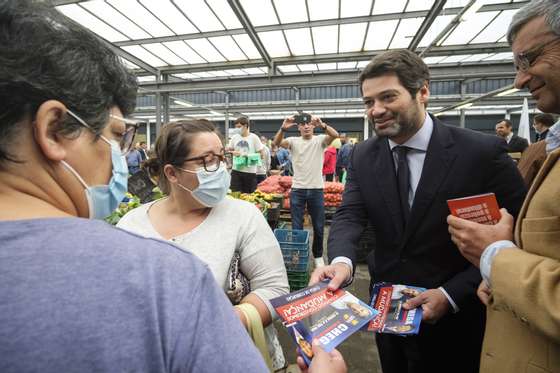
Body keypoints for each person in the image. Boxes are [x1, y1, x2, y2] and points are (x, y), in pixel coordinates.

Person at [0, 1, 269, 372]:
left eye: (220, 157)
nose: (117, 157)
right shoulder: (162, 279)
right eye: (114, 135)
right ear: (53, 129)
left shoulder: (237, 219)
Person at [311, 49, 526, 373]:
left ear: (423, 91)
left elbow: (520, 234)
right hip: (389, 311)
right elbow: (350, 214)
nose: (376, 110)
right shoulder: (363, 156)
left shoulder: (480, 153)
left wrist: (451, 294)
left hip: (458, 319)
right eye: (369, 102)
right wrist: (341, 262)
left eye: (388, 97)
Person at [116, 120, 289, 370]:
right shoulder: (132, 225)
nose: (220, 169)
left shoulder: (243, 216)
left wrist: (228, 322)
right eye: (206, 161)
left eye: (221, 157)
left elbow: (274, 287)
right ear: (172, 173)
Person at [447, 1, 560, 372]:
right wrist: (502, 279)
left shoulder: (481, 150)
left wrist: (496, 257)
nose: (519, 80)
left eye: (528, 59)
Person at [273, 114, 339, 267]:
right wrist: (283, 127)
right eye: (303, 124)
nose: (306, 126)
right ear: (299, 127)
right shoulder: (293, 142)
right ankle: (297, 255)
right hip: (298, 190)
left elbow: (335, 135)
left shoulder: (320, 140)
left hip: (316, 190)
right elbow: (276, 143)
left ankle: (317, 256)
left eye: (309, 124)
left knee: (319, 226)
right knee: (297, 227)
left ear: (313, 126)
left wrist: (323, 124)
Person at [517, 114, 556, 186]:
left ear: (540, 124)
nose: (533, 126)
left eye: (534, 124)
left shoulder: (547, 139)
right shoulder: (548, 136)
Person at [228, 116, 264, 193]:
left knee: (249, 196)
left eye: (239, 127)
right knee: (235, 195)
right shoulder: (234, 137)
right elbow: (228, 151)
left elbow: (261, 155)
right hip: (236, 171)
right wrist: (232, 152)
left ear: (246, 126)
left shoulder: (254, 138)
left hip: (250, 172)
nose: (237, 129)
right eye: (236, 127)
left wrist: (246, 155)